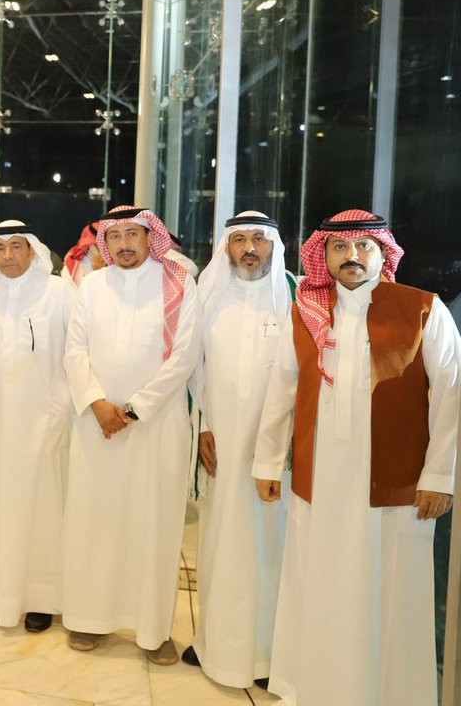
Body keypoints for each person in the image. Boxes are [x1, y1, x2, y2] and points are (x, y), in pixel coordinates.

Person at [253, 209, 460, 705]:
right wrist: (268, 462)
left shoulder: (423, 309)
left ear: (384, 253)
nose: (352, 256)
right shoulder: (306, 313)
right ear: (323, 256)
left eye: (364, 246)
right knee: (319, 584)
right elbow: (282, 389)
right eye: (340, 247)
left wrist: (439, 476)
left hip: (394, 485)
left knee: (390, 590)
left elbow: (452, 393)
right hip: (320, 480)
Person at [61, 205, 201, 664]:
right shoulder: (92, 285)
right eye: (115, 236)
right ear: (104, 243)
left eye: (132, 235)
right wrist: (97, 403)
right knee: (94, 521)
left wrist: (135, 409)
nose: (123, 244)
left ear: (149, 238)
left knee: (153, 526)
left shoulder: (179, 283)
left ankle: (153, 630)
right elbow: (74, 350)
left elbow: (185, 355)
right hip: (96, 423)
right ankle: (88, 618)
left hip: (156, 425)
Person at [183, 210, 293, 686]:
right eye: (239, 239)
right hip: (222, 441)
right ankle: (213, 643)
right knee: (218, 540)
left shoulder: (294, 295)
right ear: (225, 246)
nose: (249, 248)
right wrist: (202, 427)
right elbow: (191, 366)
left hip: (277, 446)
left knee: (272, 545)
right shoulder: (207, 294)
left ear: (274, 246)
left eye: (259, 239)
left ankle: (268, 657)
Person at [0, 220, 74, 631]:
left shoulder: (59, 291)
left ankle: (39, 599)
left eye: (16, 246)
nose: (8, 255)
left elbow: (77, 351)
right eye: (0, 248)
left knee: (41, 506)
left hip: (44, 418)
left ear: (32, 250)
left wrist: (61, 409)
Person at [60, 221, 105, 287]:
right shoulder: (72, 264)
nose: (102, 248)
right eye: (96, 245)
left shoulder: (114, 263)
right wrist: (97, 272)